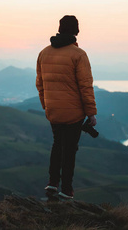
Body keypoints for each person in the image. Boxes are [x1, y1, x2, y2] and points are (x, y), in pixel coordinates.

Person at [36, 15, 97, 199]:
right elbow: (85, 85)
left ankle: (52, 183)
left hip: (53, 111)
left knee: (57, 144)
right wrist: (91, 113)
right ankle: (67, 189)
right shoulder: (79, 55)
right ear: (76, 31)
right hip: (73, 113)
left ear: (60, 28)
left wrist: (47, 106)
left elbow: (40, 85)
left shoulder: (44, 53)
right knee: (70, 149)